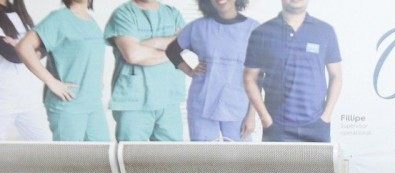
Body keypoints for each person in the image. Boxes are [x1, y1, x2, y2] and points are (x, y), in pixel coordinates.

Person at [244, 0, 342, 143]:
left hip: (316, 127)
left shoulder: (325, 31)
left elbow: (336, 76)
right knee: (278, 167)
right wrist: (266, 119)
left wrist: (326, 117)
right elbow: (250, 78)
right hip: (276, 127)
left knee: (315, 167)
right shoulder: (262, 33)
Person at [167, 0, 259, 141]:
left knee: (239, 160)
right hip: (202, 103)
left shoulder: (253, 29)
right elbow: (172, 50)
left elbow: (258, 77)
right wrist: (189, 70)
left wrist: (251, 115)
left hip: (238, 106)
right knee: (204, 159)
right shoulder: (197, 27)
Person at [15, 0, 107, 141]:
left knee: (101, 159)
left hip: (93, 104)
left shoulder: (91, 21)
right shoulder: (58, 18)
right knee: (70, 161)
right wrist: (51, 82)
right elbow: (24, 47)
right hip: (68, 105)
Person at [104, 0, 186, 142]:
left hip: (169, 100)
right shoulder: (124, 14)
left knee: (170, 160)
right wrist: (171, 50)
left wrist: (150, 43)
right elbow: (133, 55)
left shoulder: (172, 14)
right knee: (131, 160)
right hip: (134, 102)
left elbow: (187, 45)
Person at [0, 0, 51, 139]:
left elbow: (45, 46)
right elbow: (12, 55)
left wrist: (20, 47)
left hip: (29, 97)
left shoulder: (20, 13)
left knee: (46, 147)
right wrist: (27, 48)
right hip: (3, 97)